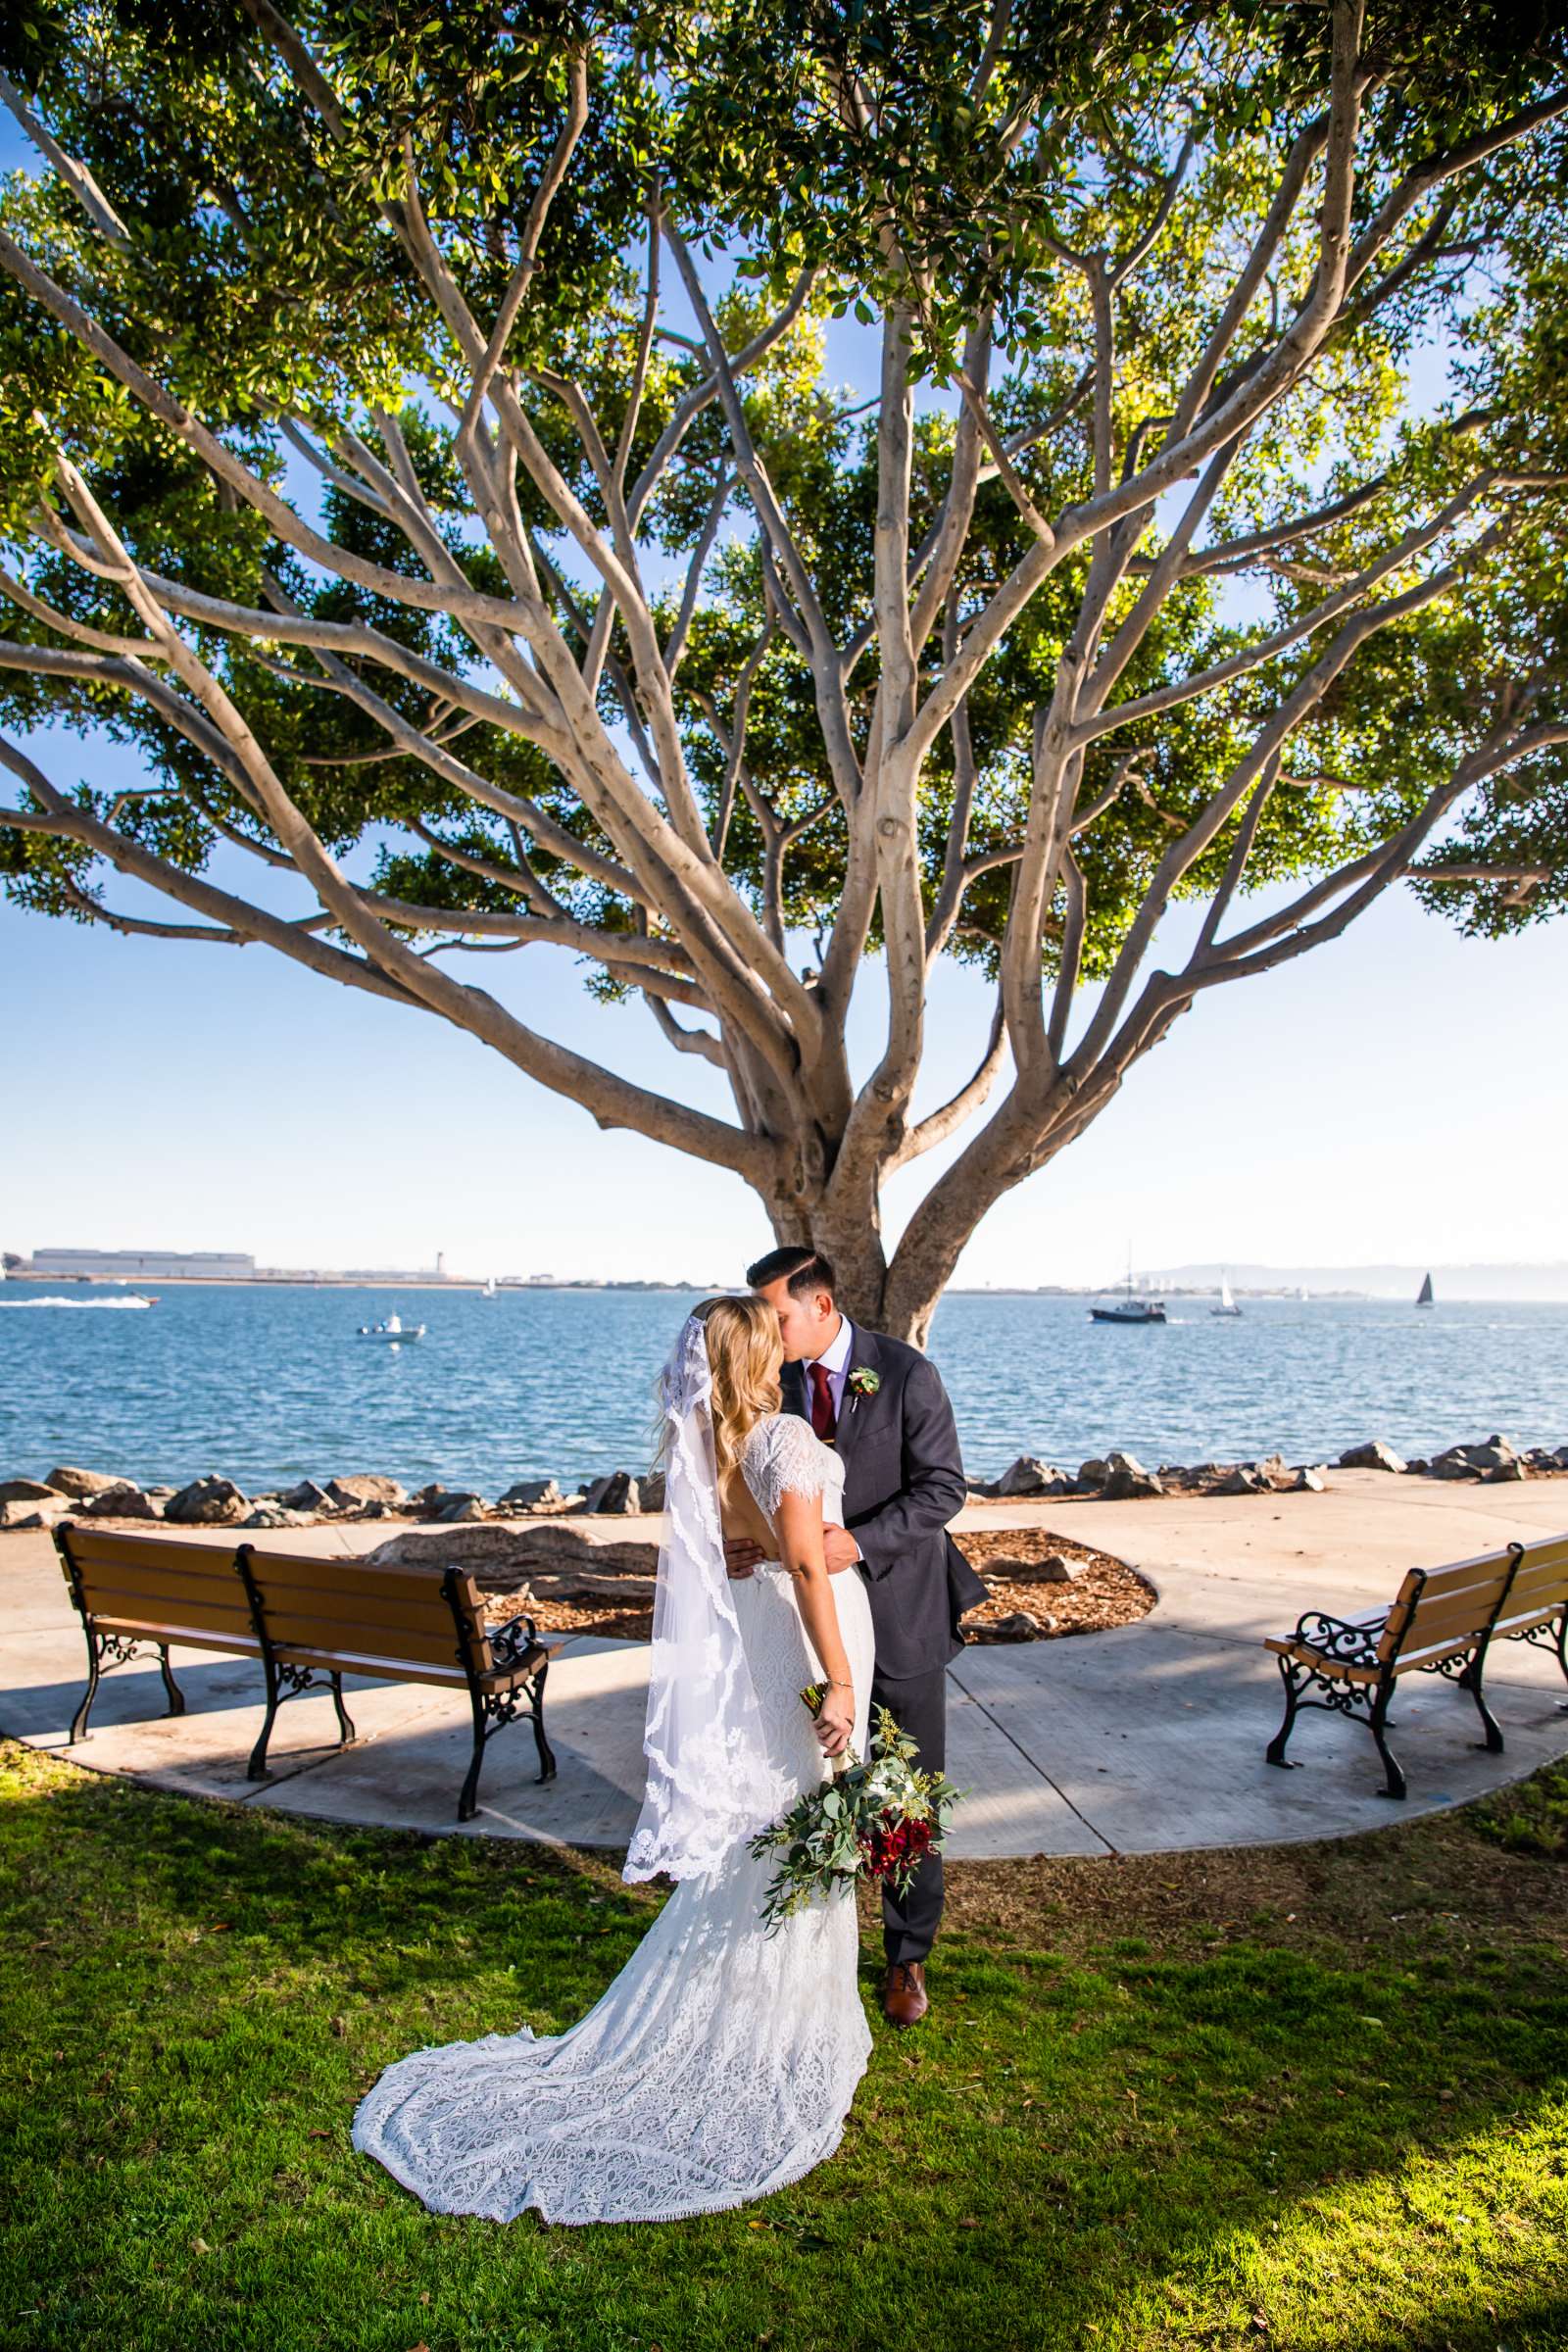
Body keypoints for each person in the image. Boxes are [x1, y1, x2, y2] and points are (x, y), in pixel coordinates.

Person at [351, 1294, 875, 2226]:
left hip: (758, 1642)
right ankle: (780, 2028)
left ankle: (775, 2010)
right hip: (797, 1644)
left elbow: (738, 1554)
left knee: (776, 1825)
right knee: (799, 1821)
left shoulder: (709, 1448)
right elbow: (801, 1566)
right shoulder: (781, 1438)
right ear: (758, 1353)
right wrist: (837, 1679)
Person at [730, 1247, 983, 2029]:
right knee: (815, 1780)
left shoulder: (906, 1374)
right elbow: (767, 1489)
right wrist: (750, 1542)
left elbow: (944, 1487)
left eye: (777, 1317)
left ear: (823, 1307)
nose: (768, 1333)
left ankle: (907, 1959)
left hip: (903, 1612)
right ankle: (810, 1942)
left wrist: (861, 1542)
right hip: (817, 1627)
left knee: (907, 1792)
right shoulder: (770, 1385)